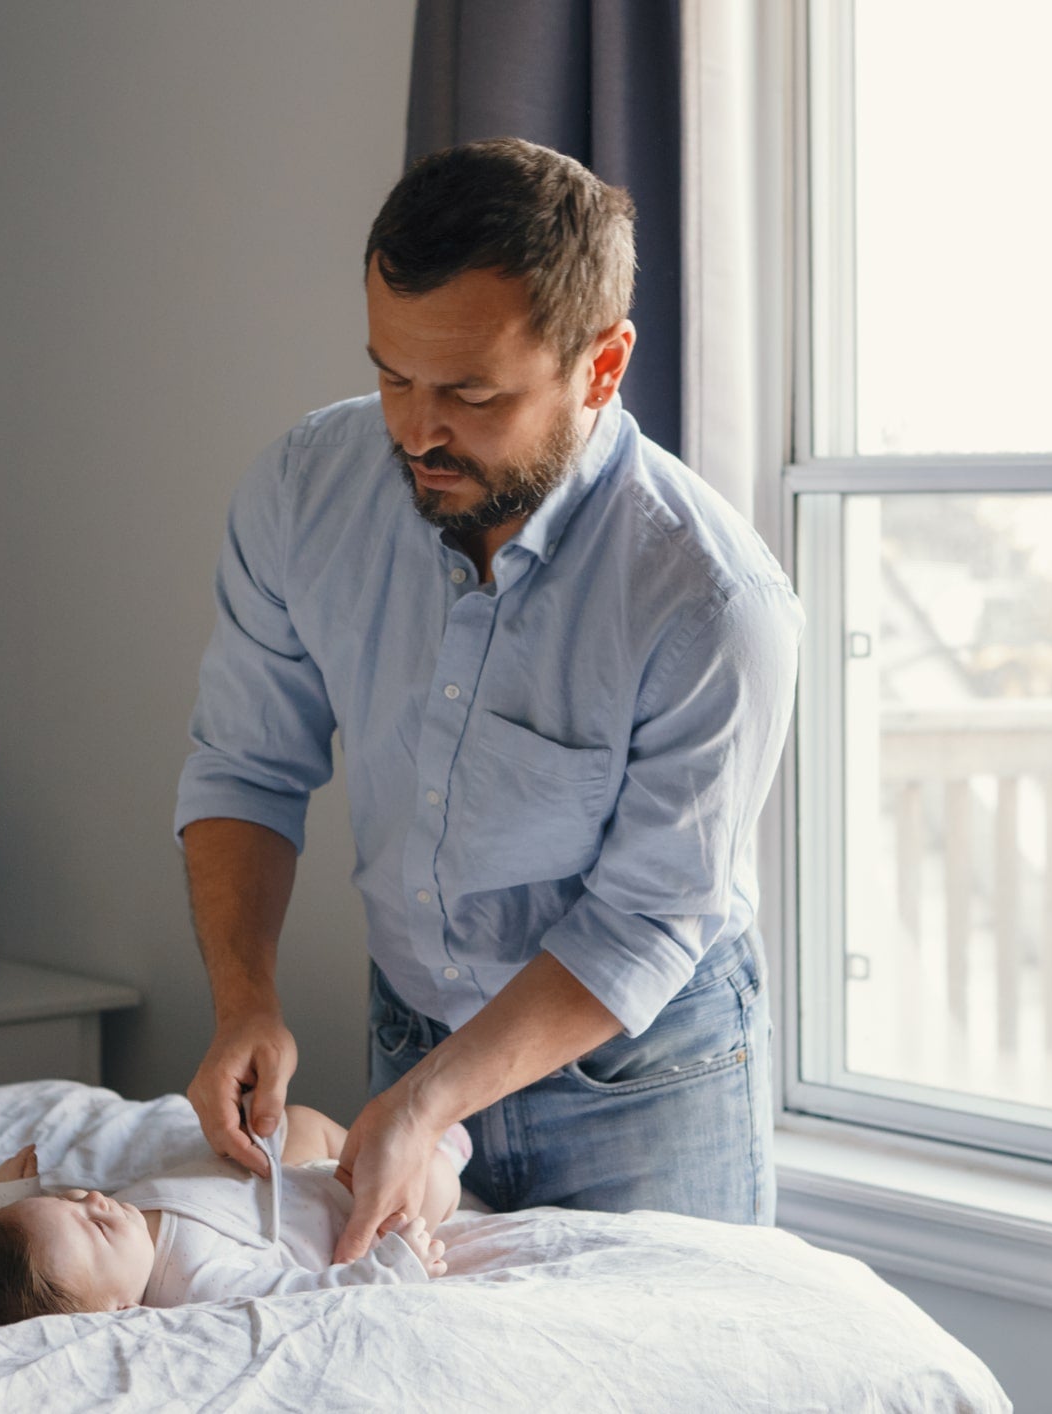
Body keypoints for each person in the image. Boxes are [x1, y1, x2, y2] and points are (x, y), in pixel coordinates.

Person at [175, 137, 802, 1266]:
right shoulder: (301, 494)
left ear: (601, 369)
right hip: (410, 1027)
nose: (417, 430)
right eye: (392, 375)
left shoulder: (712, 602)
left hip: (638, 1077)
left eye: (469, 392)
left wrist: (429, 1103)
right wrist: (244, 1001)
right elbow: (246, 769)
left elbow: (645, 919)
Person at [0, 1105, 467, 1332]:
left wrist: (21, 1198)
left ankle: (377, 1145)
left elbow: (45, 1239)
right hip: (343, 1218)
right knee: (434, 1181)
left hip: (281, 1177)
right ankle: (450, 1148)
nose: (95, 1202)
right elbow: (300, 1294)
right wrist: (391, 1266)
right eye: (95, 1225)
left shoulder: (115, 1237)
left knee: (298, 1119)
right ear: (119, 1309)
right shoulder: (196, 1284)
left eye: (73, 1200)